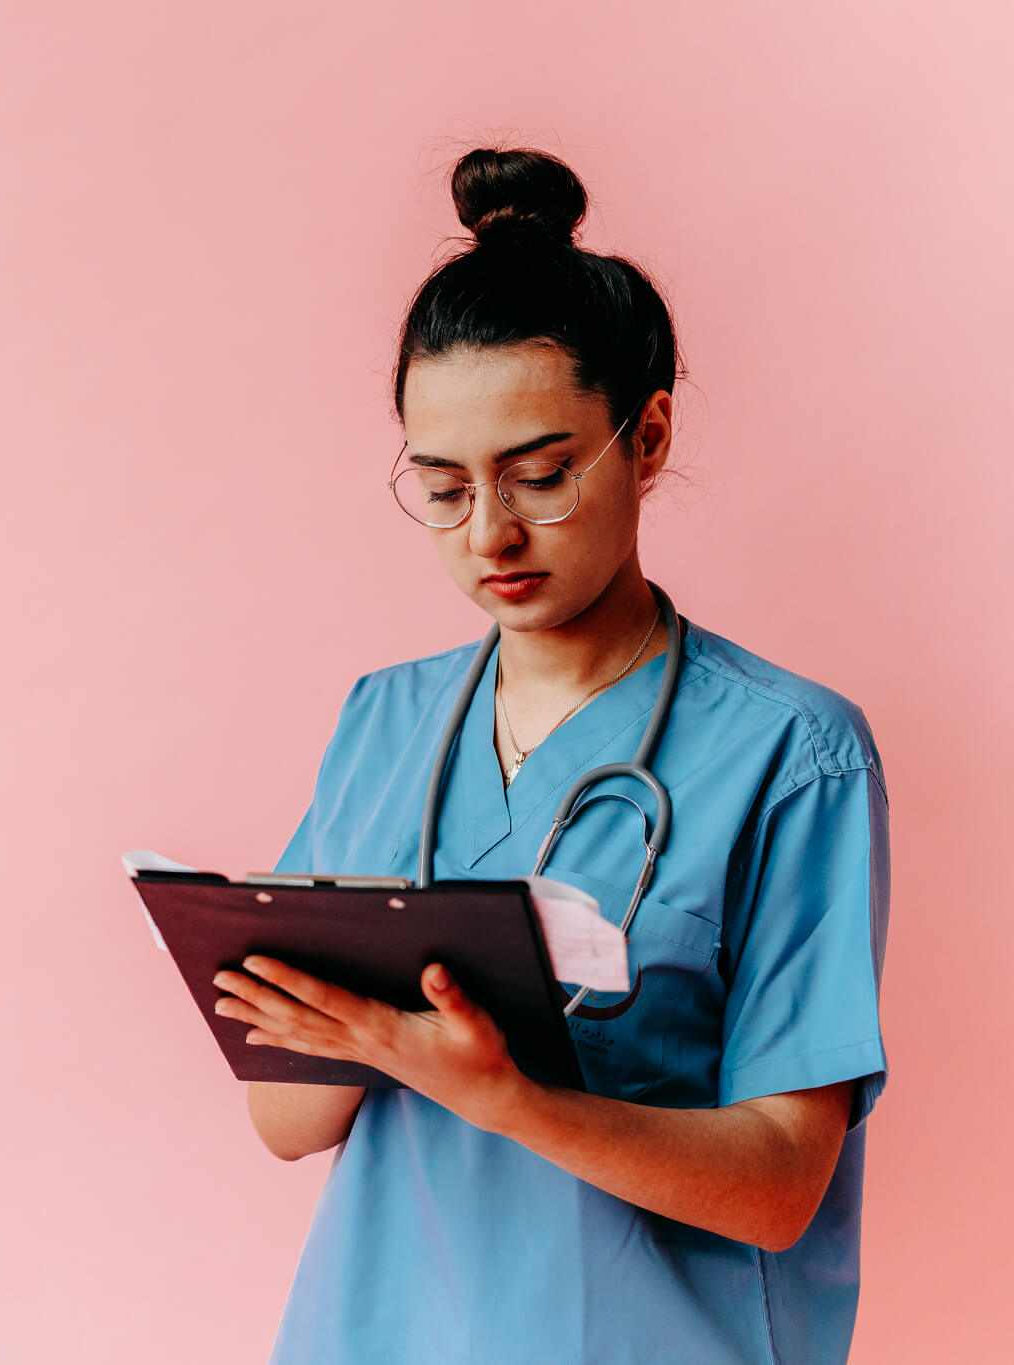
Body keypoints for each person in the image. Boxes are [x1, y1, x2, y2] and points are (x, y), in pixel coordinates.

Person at [212, 147, 891, 1364]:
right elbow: (284, 1120)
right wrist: (355, 1028)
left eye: (538, 476)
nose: (491, 534)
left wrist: (503, 1095)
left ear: (645, 438)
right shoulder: (383, 721)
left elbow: (783, 1181)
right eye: (442, 488)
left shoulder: (794, 753)